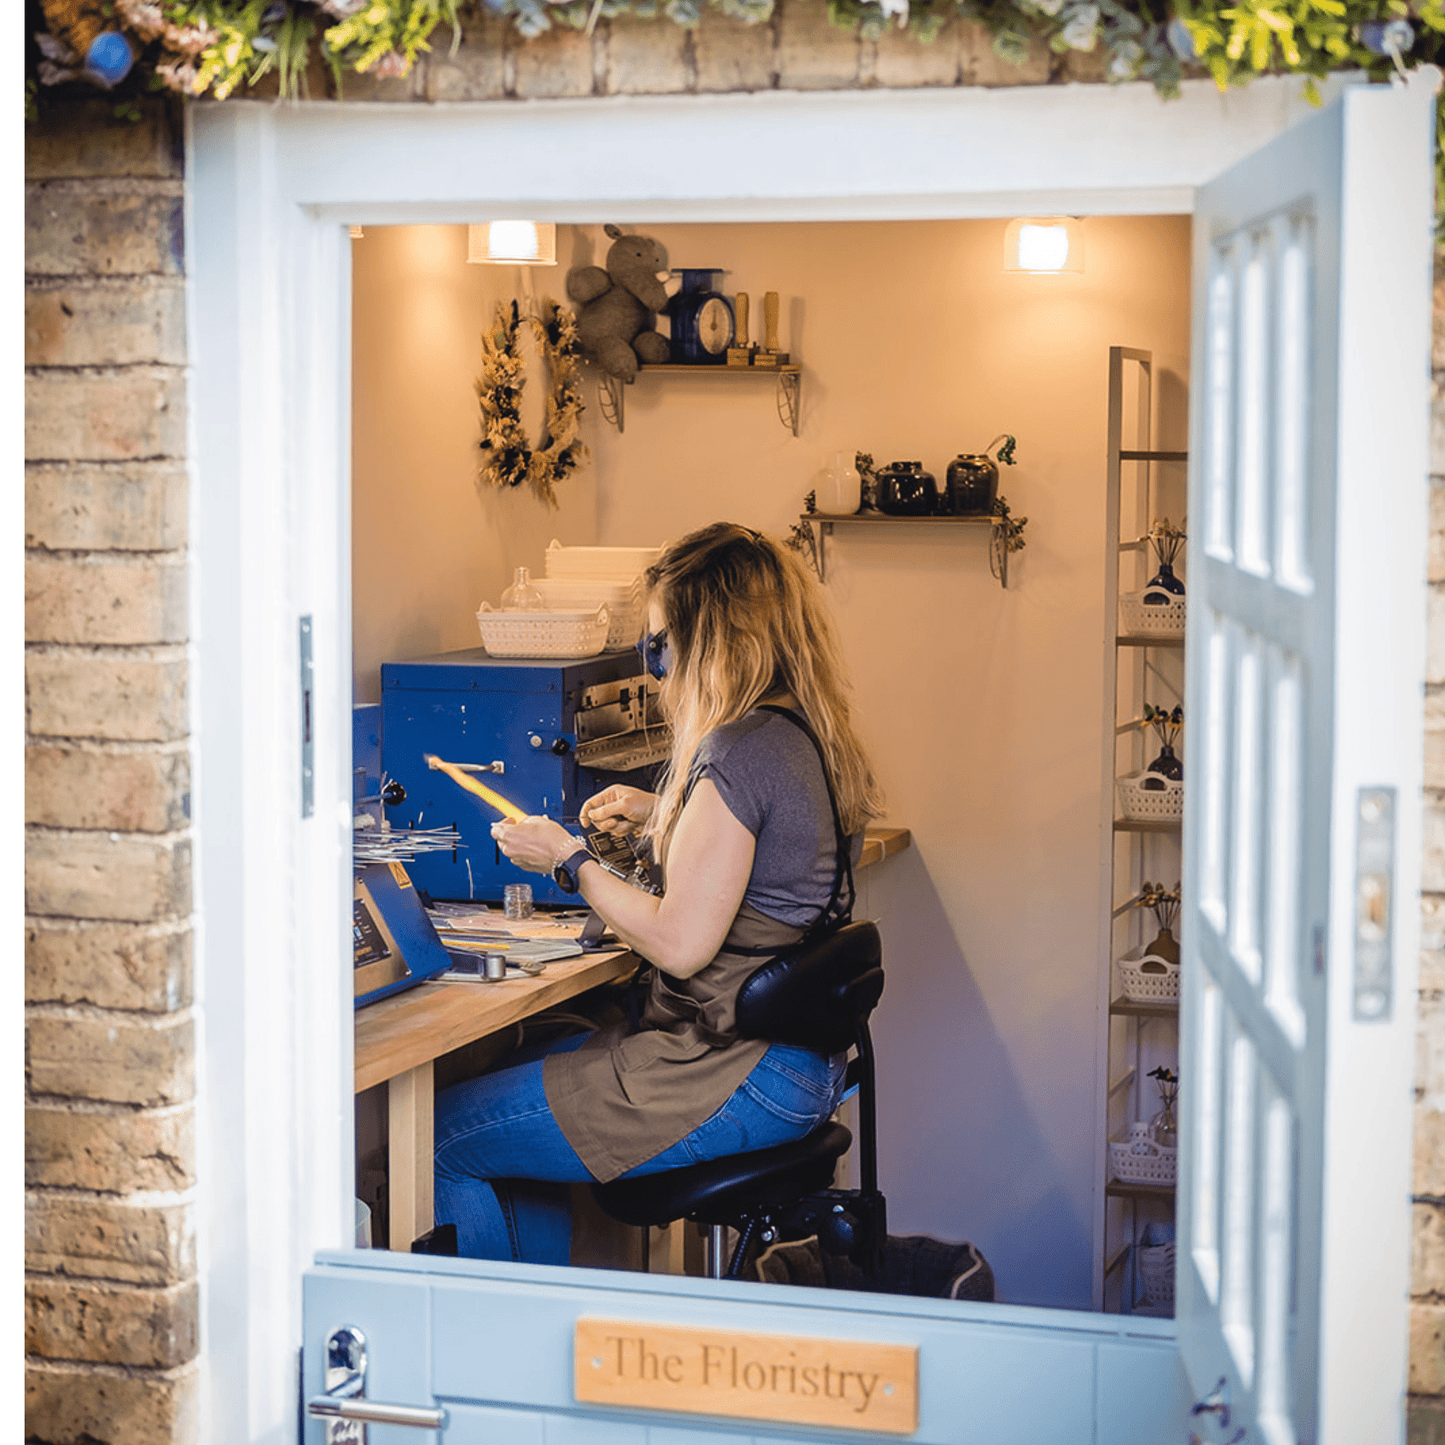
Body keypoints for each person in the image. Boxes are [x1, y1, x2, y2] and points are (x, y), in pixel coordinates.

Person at [432, 521, 884, 1264]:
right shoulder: (802, 733)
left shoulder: (736, 748)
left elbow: (679, 942)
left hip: (733, 1069)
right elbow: (775, 854)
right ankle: (543, 1341)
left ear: (716, 639)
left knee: (448, 1137)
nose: (655, 671)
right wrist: (665, 814)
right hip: (803, 1066)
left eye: (659, 646)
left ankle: (498, 1360)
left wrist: (568, 857)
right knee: (522, 1073)